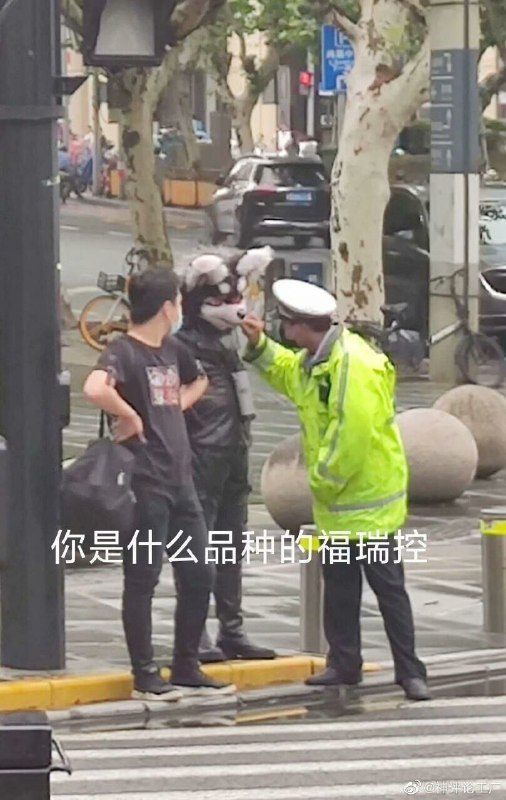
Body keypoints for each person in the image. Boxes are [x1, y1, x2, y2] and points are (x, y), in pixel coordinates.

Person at [240, 279, 430, 702]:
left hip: (368, 503)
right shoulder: (317, 361)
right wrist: (259, 346)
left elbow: (352, 434)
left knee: (389, 591)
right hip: (339, 507)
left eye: (285, 325)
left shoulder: (352, 366)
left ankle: (410, 673)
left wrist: (322, 479)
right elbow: (288, 374)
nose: (283, 332)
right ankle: (344, 664)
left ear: (300, 326)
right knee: (340, 591)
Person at [84, 267, 235, 700]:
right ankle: (145, 672)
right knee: (143, 579)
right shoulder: (124, 351)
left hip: (180, 481)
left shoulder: (173, 349)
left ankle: (186, 664)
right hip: (145, 482)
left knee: (199, 573)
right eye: (178, 303)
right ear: (168, 307)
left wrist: (173, 407)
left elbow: (199, 380)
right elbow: (95, 387)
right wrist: (131, 415)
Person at [176, 249, 277, 662]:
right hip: (201, 453)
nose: (235, 308)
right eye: (223, 301)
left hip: (234, 449)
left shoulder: (228, 340)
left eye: (237, 298)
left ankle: (231, 628)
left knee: (230, 543)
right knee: (198, 545)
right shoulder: (184, 346)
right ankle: (196, 631)